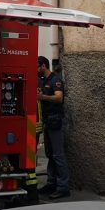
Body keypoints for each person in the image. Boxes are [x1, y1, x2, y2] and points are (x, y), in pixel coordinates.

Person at [37, 56, 70, 199]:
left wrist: (42, 97)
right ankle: (51, 183)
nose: (35, 69)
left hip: (55, 121)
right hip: (47, 122)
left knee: (58, 155)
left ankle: (63, 187)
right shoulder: (43, 81)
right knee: (50, 154)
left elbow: (59, 97)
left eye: (36, 66)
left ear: (43, 66)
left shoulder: (55, 80)